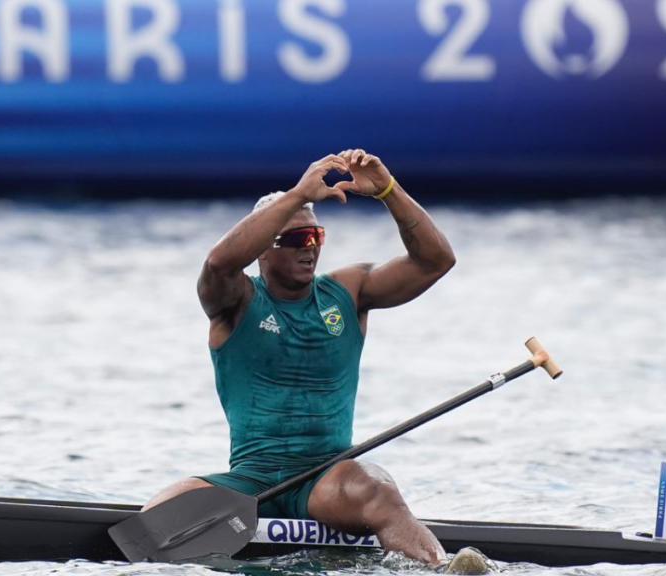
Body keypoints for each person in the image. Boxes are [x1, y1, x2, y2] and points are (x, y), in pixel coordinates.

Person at [143, 150, 488, 573]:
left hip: (326, 482)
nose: (310, 249)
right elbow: (218, 262)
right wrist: (299, 194)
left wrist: (387, 190)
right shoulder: (234, 300)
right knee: (158, 513)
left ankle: (442, 568)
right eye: (296, 240)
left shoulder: (350, 290)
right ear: (262, 251)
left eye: (316, 237)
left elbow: (436, 261)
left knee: (377, 487)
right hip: (250, 481)